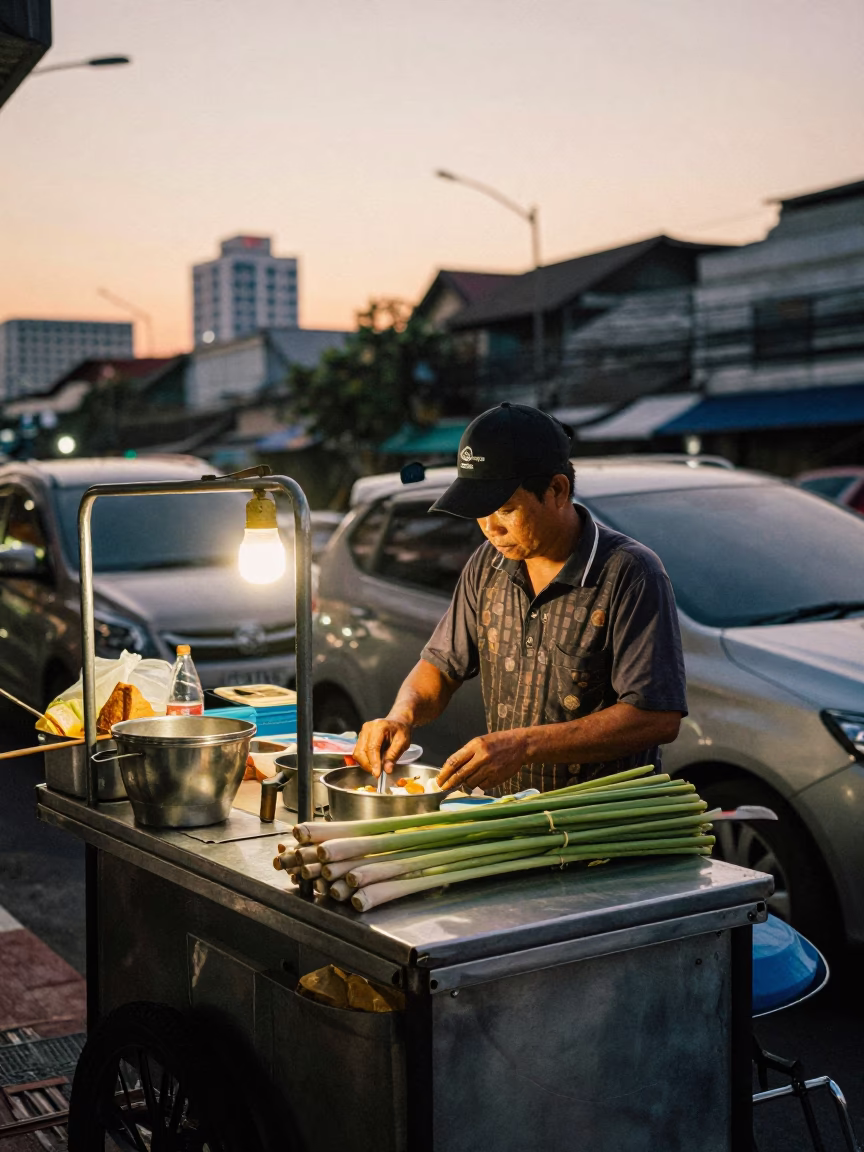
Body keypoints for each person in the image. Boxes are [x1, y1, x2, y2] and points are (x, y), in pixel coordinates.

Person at [352, 402, 687, 796]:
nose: (490, 528)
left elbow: (657, 718)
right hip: (509, 815)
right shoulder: (487, 566)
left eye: (506, 509)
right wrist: (400, 716)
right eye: (480, 512)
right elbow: (440, 668)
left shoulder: (630, 573)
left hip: (598, 823)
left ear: (557, 490)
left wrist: (524, 745)